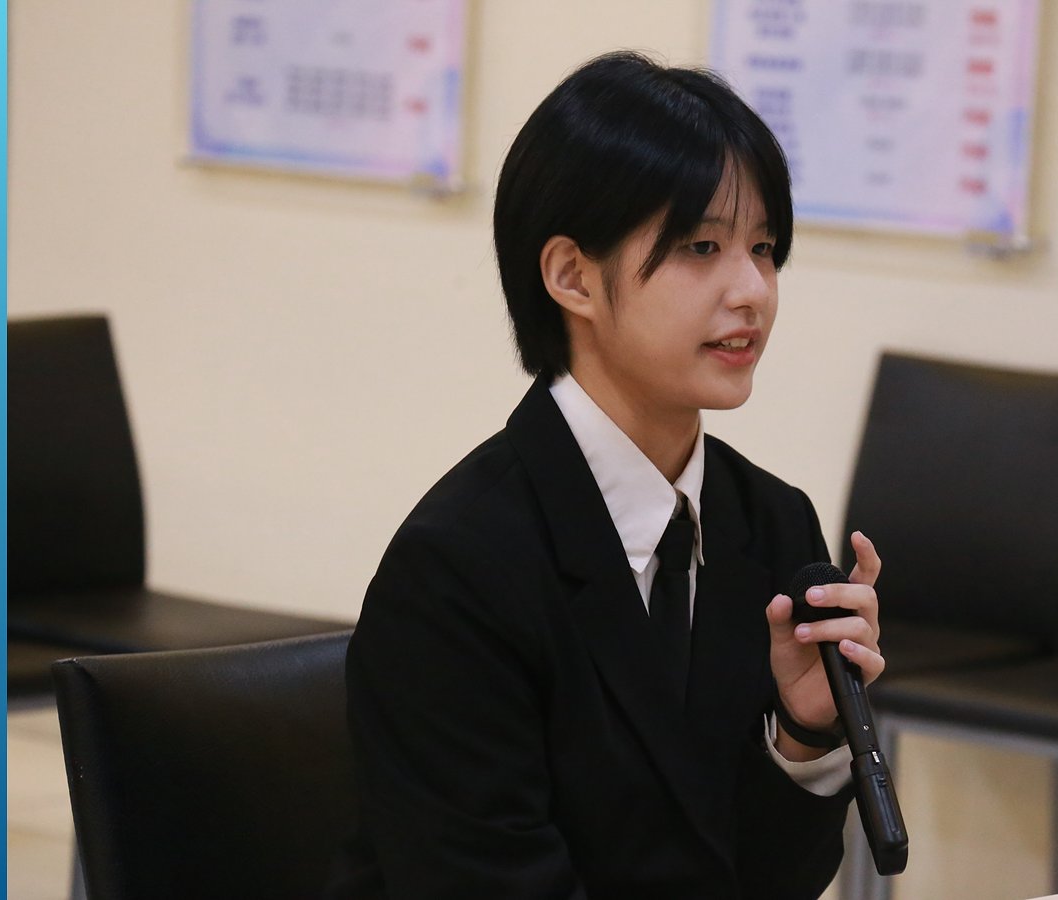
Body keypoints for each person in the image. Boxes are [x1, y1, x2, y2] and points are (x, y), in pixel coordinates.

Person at [327, 51, 887, 900]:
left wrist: (804, 735)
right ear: (572, 278)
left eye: (764, 248)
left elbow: (763, 882)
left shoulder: (772, 524)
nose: (753, 291)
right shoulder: (457, 567)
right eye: (702, 246)